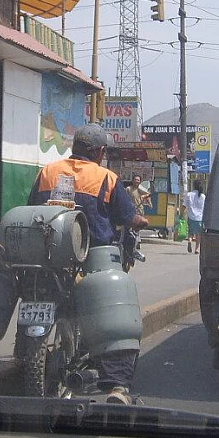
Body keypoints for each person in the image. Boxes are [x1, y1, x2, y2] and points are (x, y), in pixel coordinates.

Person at [28, 123, 148, 405]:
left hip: (49, 258)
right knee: (115, 313)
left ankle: (27, 349)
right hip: (93, 258)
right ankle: (117, 386)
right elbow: (128, 217)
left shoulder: (48, 172)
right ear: (98, 151)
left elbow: (32, 207)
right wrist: (141, 222)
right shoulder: (106, 178)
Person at [182, 180, 206, 254]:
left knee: (190, 232)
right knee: (198, 234)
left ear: (193, 186)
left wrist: (181, 214)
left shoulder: (189, 195)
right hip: (200, 218)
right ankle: (197, 249)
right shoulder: (203, 196)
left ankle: (189, 241)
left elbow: (184, 206)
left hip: (191, 217)